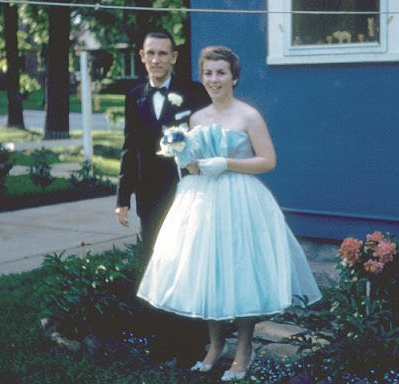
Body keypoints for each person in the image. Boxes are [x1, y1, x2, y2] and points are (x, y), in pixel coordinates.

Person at [137, 46, 322, 381]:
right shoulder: (197, 117)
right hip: (203, 202)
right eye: (208, 73)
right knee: (209, 272)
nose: (214, 79)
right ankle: (214, 344)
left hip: (240, 200)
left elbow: (268, 160)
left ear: (234, 77)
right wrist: (182, 155)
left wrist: (227, 163)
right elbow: (194, 166)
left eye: (221, 72)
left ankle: (243, 348)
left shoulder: (248, 116)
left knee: (240, 273)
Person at [114, 29, 211, 366]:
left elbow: (206, 137)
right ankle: (163, 338)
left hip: (187, 190)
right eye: (150, 53)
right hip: (150, 196)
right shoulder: (134, 96)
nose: (156, 60)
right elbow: (130, 147)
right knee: (157, 261)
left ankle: (192, 341)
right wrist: (122, 196)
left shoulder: (194, 93)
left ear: (174, 57)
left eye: (163, 53)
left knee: (189, 261)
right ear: (141, 56)